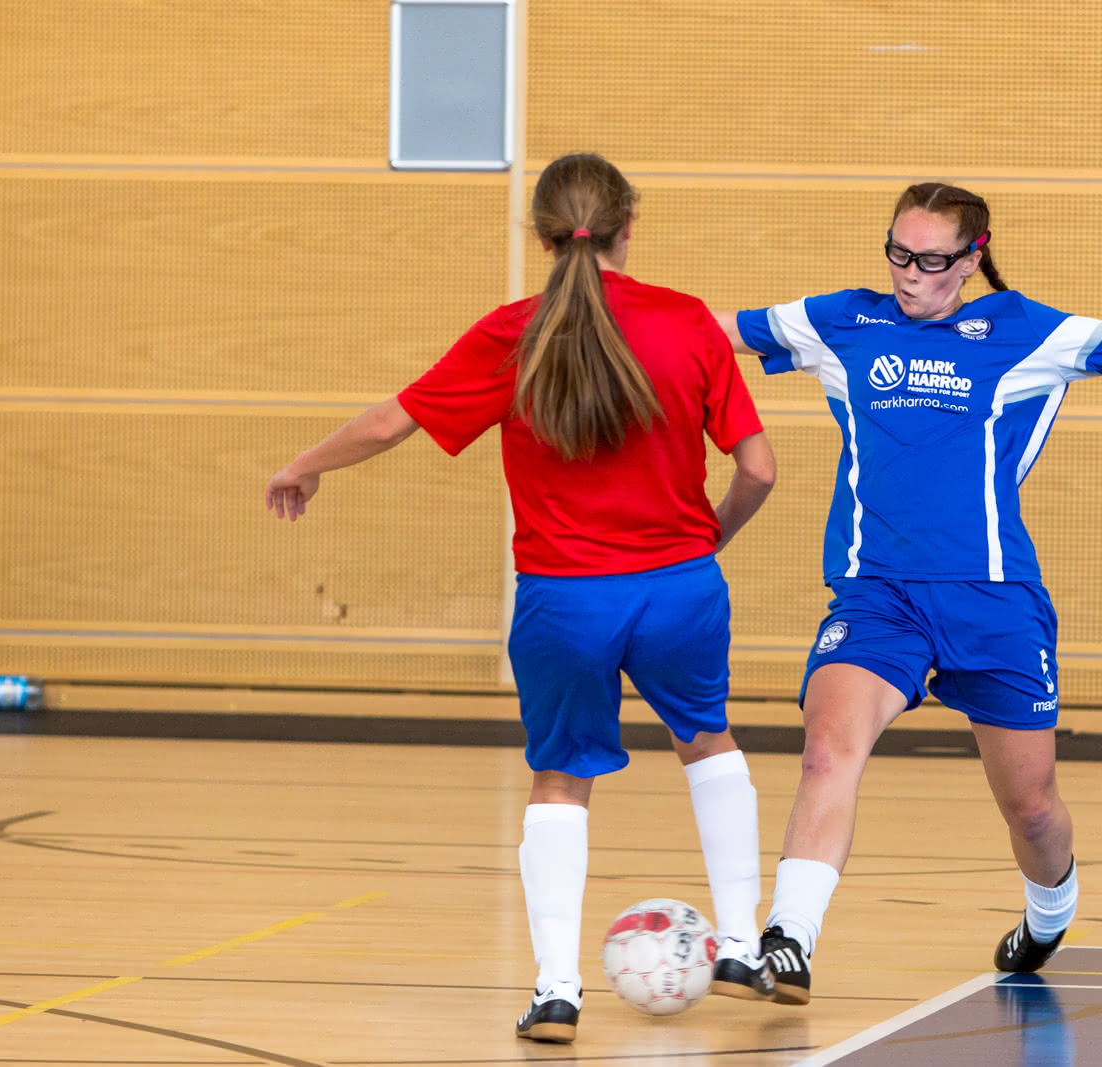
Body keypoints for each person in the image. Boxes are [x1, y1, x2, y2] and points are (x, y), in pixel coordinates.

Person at [712, 182, 1102, 1004]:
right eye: (898, 253)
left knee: (1032, 808)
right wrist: (591, 304)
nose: (910, 274)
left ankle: (1050, 910)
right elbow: (710, 332)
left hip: (994, 601)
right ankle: (790, 938)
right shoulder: (842, 320)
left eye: (932, 260)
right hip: (877, 595)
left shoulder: (1026, 331)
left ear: (972, 258)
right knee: (828, 749)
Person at [266, 153, 780, 1043]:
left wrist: (304, 465)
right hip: (679, 587)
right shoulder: (689, 321)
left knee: (560, 779)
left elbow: (390, 422)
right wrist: (706, 542)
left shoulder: (513, 334)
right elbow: (759, 469)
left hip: (563, 599)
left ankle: (556, 992)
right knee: (709, 743)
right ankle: (740, 945)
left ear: (542, 238)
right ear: (629, 226)